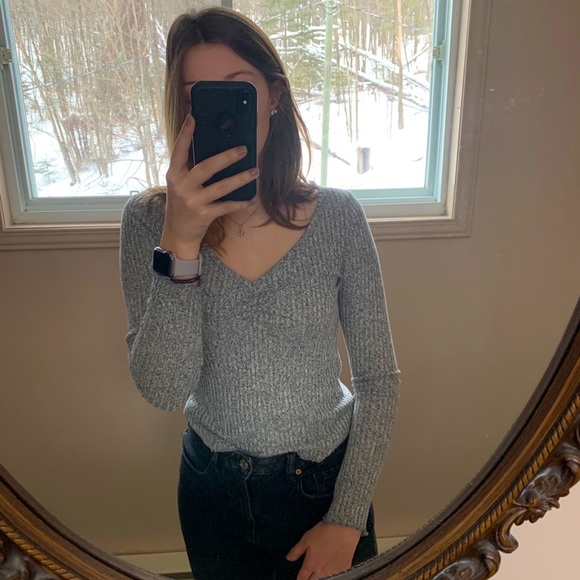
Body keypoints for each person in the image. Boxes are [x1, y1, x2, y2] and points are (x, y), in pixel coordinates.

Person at [120, 6, 400, 580]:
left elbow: (378, 379)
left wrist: (347, 519)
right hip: (212, 494)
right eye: (199, 95)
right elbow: (163, 389)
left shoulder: (338, 217)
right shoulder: (149, 223)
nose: (223, 110)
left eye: (239, 89)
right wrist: (182, 242)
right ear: (183, 110)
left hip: (325, 484)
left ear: (273, 96)